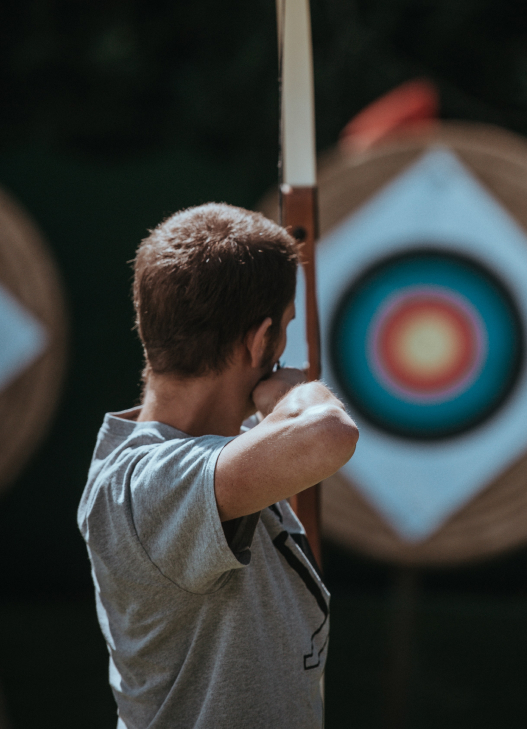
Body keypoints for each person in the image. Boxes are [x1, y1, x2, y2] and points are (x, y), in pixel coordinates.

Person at [78, 202, 358, 729]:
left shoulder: (232, 451)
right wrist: (295, 394)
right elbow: (328, 434)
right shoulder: (142, 484)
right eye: (285, 331)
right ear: (260, 339)